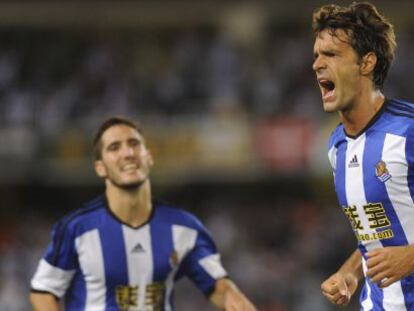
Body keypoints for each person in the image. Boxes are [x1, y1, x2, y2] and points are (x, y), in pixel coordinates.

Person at [29, 116, 257, 311]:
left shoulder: (185, 228)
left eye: (134, 144)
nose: (128, 153)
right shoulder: (77, 228)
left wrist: (232, 296)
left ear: (149, 157)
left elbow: (217, 284)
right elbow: (43, 291)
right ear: (100, 168)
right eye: (114, 147)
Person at [312, 2, 414, 310]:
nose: (317, 64)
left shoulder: (408, 131)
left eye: (330, 54)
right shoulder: (335, 146)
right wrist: (350, 273)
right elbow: (377, 236)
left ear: (366, 63)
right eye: (316, 55)